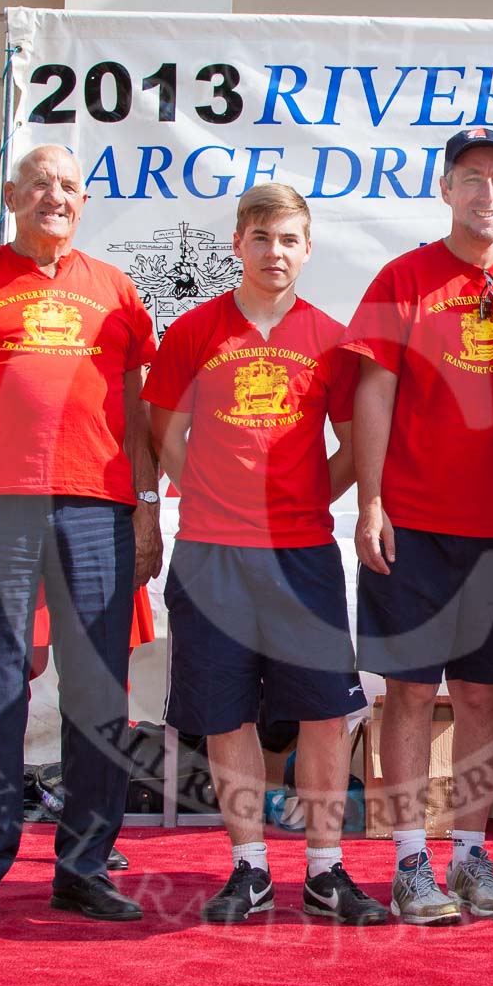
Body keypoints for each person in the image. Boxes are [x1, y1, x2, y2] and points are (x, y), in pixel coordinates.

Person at [0, 145, 161, 925]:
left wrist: (148, 506)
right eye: (38, 185)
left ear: (83, 202)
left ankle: (84, 866)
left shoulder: (116, 289)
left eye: (67, 186)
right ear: (11, 195)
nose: (53, 196)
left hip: (98, 508)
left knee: (98, 693)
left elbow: (136, 408)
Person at [145, 183, 387, 926]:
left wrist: (306, 496)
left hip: (301, 554)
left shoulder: (331, 338)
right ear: (238, 245)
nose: (273, 252)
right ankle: (249, 868)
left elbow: (354, 446)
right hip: (211, 555)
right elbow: (165, 434)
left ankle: (324, 868)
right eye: (260, 238)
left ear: (307, 249)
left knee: (324, 713)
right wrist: (208, 495)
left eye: (288, 240)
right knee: (226, 715)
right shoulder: (194, 330)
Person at [344, 126, 493, 924]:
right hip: (414, 523)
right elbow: (372, 392)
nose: (485, 192)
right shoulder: (404, 277)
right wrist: (369, 501)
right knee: (408, 695)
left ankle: (468, 856)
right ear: (446, 189)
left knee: (483, 696)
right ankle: (408, 862)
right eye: (471, 177)